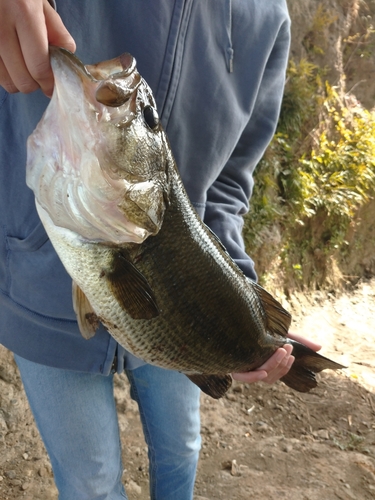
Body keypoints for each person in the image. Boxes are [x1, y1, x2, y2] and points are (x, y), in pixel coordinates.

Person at [0, 1, 321, 499]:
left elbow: (231, 183)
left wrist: (241, 311)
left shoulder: (268, 18)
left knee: (182, 451)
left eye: (140, 116)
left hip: (182, 310)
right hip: (38, 292)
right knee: (90, 484)